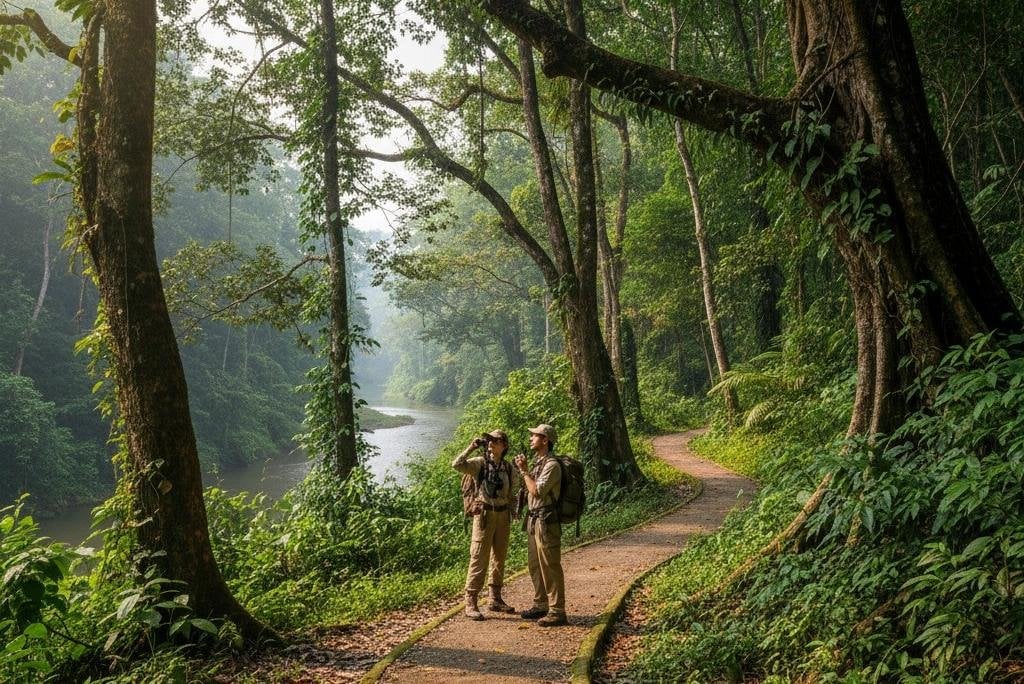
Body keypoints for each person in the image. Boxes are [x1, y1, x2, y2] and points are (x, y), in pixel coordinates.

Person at [452, 429, 517, 620]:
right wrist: (471, 447)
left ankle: (495, 598)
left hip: (503, 515)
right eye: (489, 440)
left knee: (499, 557)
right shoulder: (480, 464)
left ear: (504, 445)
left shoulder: (508, 468)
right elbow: (457, 464)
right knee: (479, 557)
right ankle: (470, 600)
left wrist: (514, 512)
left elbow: (512, 493)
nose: (490, 443)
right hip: (484, 515)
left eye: (495, 441)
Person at [513, 423, 567, 627]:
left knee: (550, 565)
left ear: (545, 440)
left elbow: (537, 491)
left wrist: (524, 471)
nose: (531, 438)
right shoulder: (539, 462)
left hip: (546, 521)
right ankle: (541, 604)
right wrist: (525, 470)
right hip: (534, 520)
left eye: (535, 435)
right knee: (535, 564)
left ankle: (557, 610)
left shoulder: (552, 465)